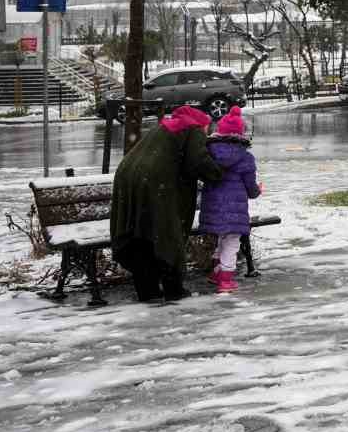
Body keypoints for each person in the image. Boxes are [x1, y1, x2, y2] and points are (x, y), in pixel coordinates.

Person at [110, 104, 223, 303]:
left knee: (140, 234)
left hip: (127, 177)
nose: (207, 134)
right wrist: (219, 174)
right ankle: (174, 289)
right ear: (203, 123)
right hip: (155, 182)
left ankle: (148, 291)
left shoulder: (164, 127)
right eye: (208, 129)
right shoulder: (194, 128)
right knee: (166, 232)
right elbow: (197, 161)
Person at [199, 105, 264, 294]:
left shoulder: (209, 152)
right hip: (235, 209)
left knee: (221, 239)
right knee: (232, 242)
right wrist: (257, 191)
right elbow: (250, 187)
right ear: (241, 134)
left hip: (213, 207)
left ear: (219, 131)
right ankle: (225, 280)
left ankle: (216, 272)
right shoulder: (245, 158)